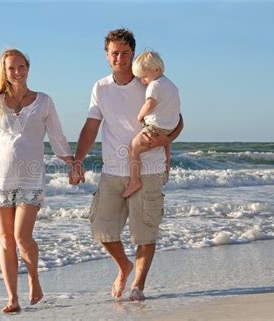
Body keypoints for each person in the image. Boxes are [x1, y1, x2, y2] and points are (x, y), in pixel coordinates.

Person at [70, 29, 183, 301]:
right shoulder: (100, 87)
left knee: (145, 234)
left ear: (133, 53)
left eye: (125, 52)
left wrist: (164, 140)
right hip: (113, 170)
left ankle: (138, 287)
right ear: (107, 56)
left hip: (149, 169)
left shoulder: (150, 82)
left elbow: (178, 121)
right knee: (101, 229)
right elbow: (91, 126)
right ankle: (124, 266)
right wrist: (77, 160)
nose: (119, 58)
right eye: (114, 53)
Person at [0, 49, 74, 313]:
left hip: (31, 175)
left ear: (28, 67)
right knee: (5, 240)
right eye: (11, 68)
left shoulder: (44, 101)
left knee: (22, 237)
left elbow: (57, 135)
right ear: (4, 71)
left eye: (21, 66)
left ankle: (34, 277)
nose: (17, 72)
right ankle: (12, 298)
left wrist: (71, 161)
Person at [121, 51, 181, 198]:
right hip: (170, 127)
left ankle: (135, 181)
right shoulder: (172, 86)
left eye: (144, 77)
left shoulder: (154, 85)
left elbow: (150, 103)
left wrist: (140, 116)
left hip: (155, 126)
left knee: (134, 148)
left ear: (157, 70)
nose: (143, 81)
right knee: (165, 143)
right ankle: (166, 167)